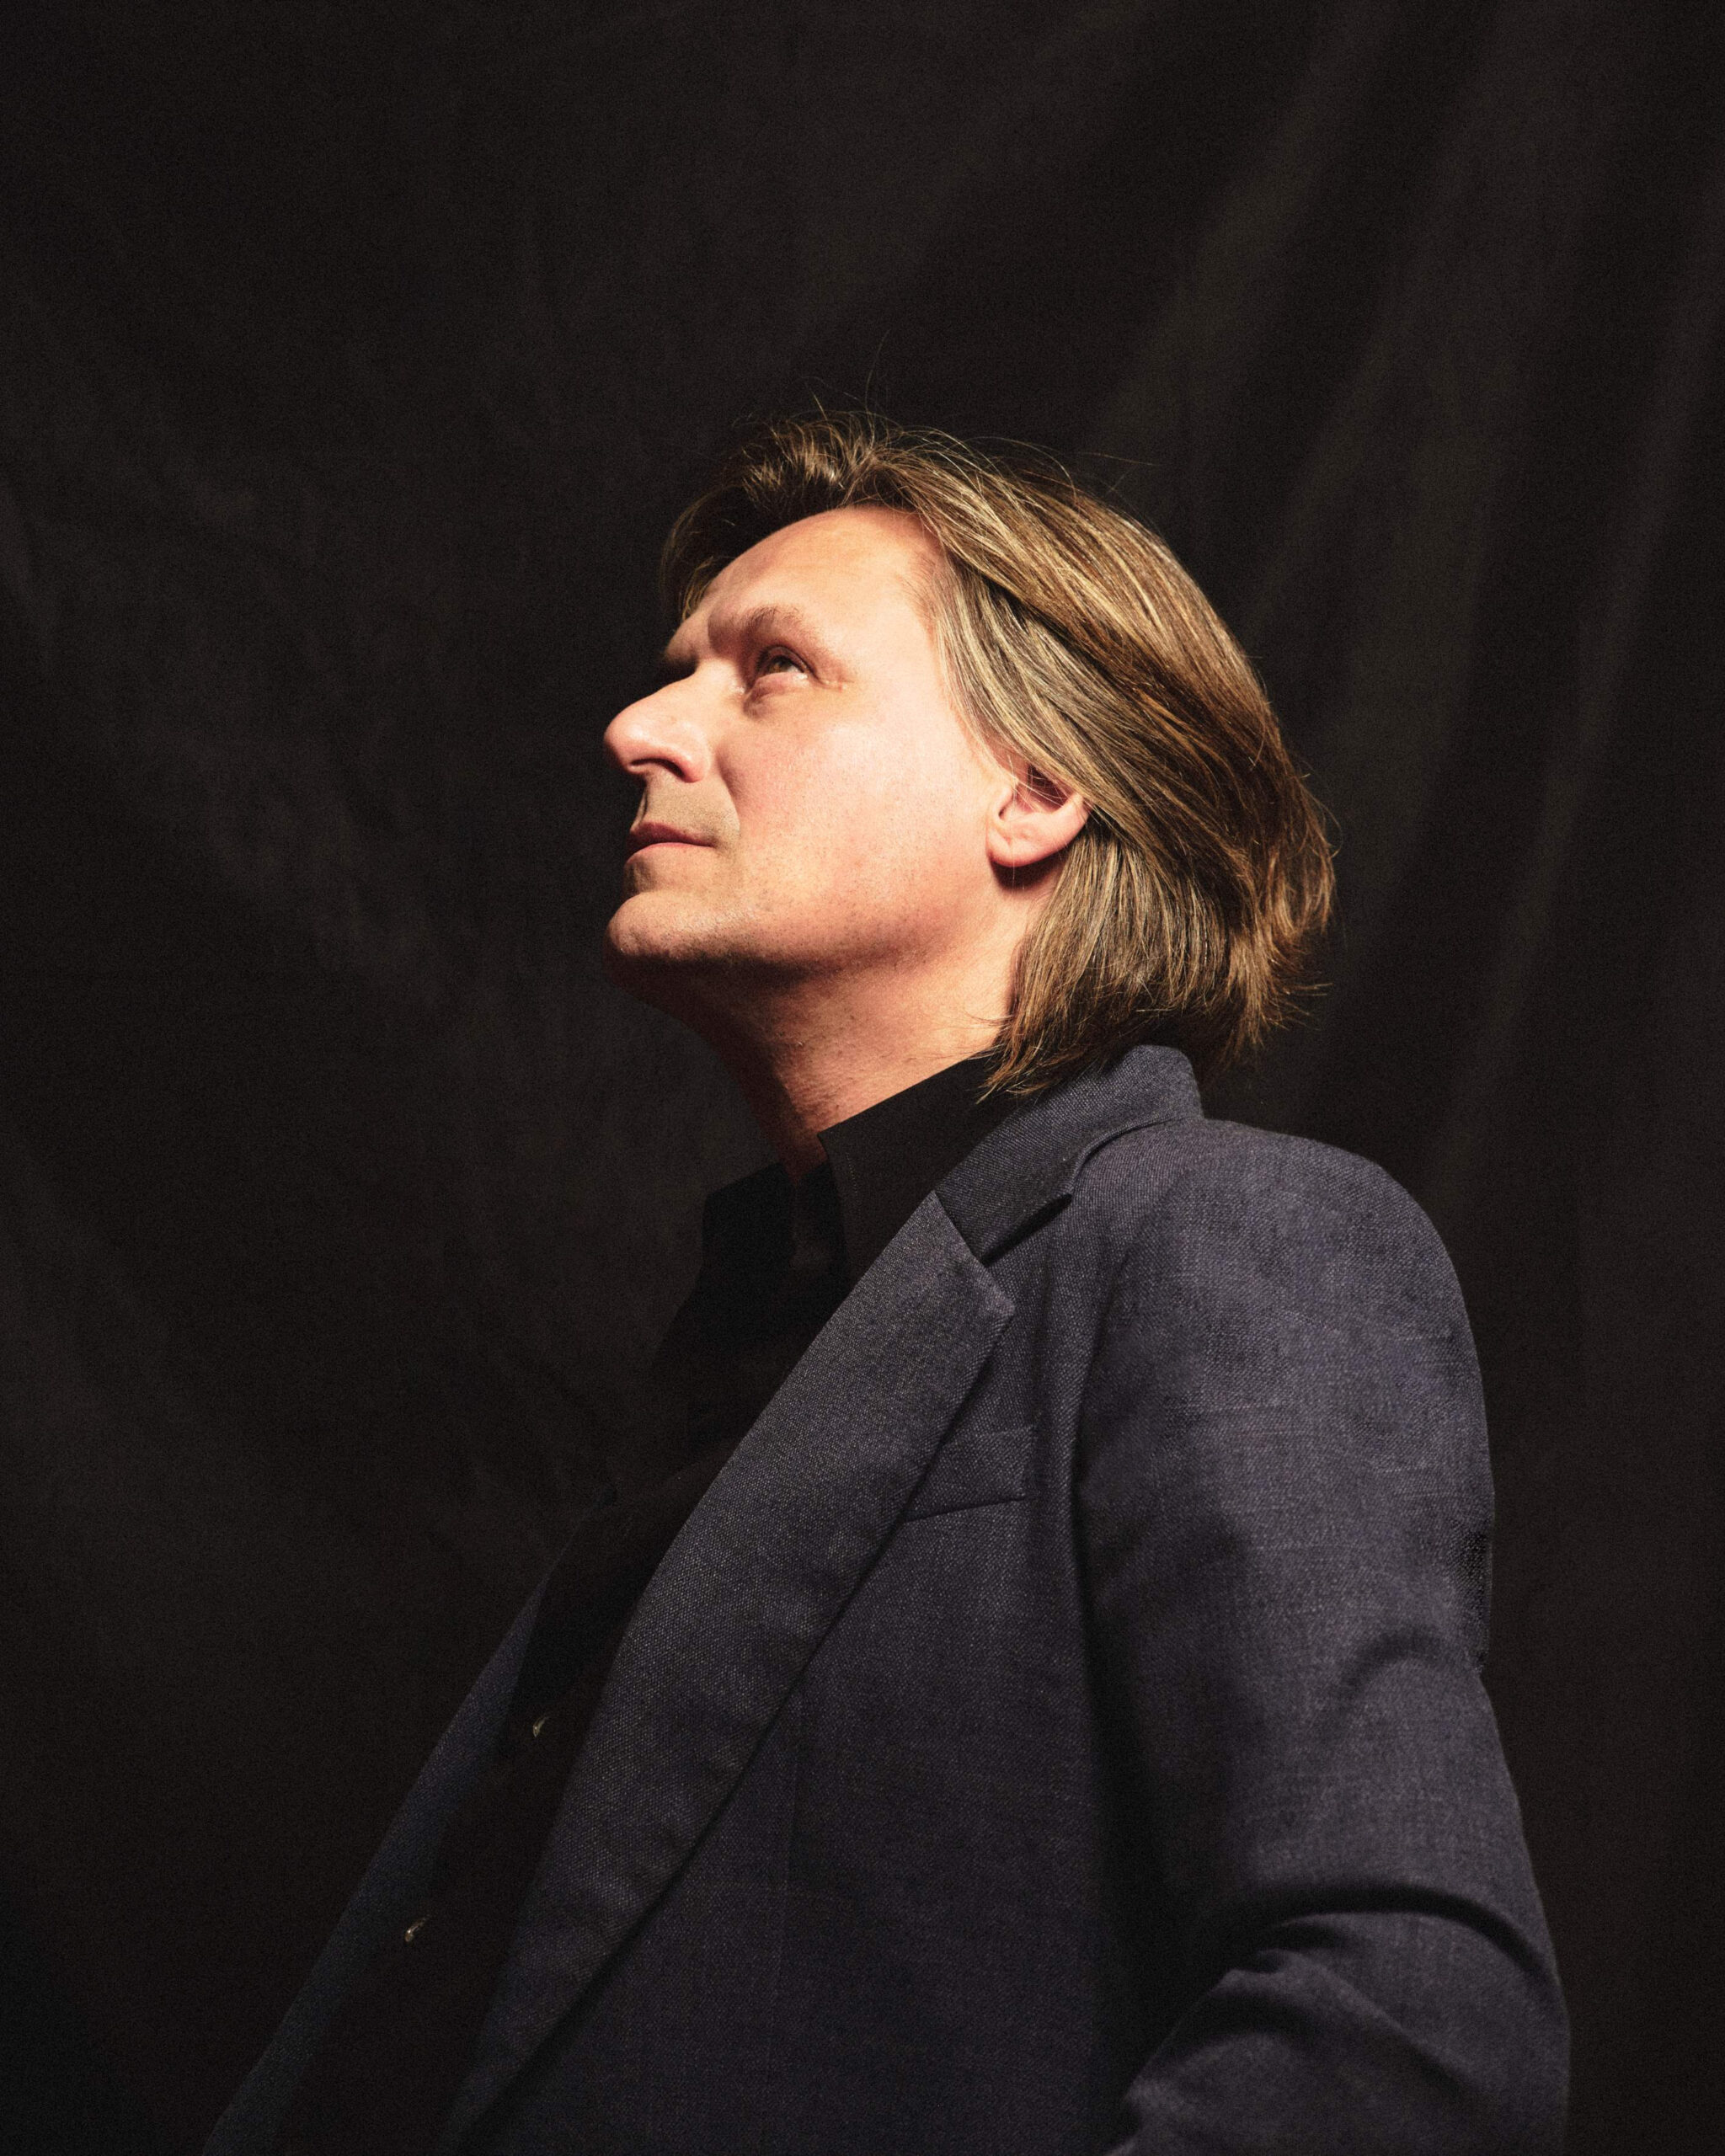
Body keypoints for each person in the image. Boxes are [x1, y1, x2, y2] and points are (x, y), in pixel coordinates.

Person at [205, 413, 1567, 2156]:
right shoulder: (762, 1334)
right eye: (677, 670)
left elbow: (1407, 2026)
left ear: (1035, 789)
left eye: (772, 668)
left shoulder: (1227, 1236)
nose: (640, 727)